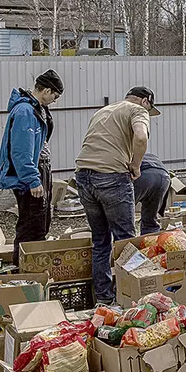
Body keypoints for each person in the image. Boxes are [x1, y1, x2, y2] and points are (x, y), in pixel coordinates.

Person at [76, 86, 160, 305]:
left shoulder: (103, 111)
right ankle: (130, 297)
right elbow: (141, 138)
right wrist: (136, 165)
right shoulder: (137, 111)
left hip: (83, 177)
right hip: (112, 177)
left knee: (100, 241)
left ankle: (104, 298)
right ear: (145, 102)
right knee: (126, 240)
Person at [0, 69, 64, 261]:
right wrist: (32, 180)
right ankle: (26, 270)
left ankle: (34, 266)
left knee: (40, 220)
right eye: (55, 96)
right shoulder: (25, 111)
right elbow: (20, 150)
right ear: (47, 90)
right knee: (31, 223)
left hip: (39, 169)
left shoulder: (37, 108)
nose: (55, 100)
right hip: (31, 174)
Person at [134, 152, 171, 235]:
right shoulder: (147, 155)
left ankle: (122, 245)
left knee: (123, 217)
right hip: (164, 177)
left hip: (144, 175)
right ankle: (151, 245)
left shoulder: (125, 154)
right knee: (150, 222)